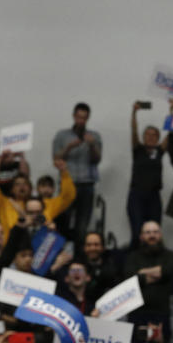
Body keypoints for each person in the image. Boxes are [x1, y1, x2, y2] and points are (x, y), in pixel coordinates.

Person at [123, 221, 173, 343]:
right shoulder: (133, 256)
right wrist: (157, 273)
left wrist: (142, 272)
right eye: (148, 232)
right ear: (141, 236)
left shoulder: (170, 255)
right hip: (137, 314)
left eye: (155, 232)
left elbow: (169, 271)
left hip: (161, 314)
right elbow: (130, 277)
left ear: (160, 235)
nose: (152, 235)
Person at [52, 103, 102, 250]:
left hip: (87, 184)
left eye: (84, 118)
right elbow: (56, 159)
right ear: (74, 116)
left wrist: (92, 145)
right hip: (68, 184)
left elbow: (97, 160)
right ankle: (59, 256)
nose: (81, 121)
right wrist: (69, 147)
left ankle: (79, 257)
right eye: (79, 117)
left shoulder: (95, 136)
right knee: (63, 222)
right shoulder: (62, 135)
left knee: (82, 225)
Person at [127, 101, 169, 248]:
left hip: (154, 197)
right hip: (137, 196)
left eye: (154, 135)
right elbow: (133, 130)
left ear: (157, 138)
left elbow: (171, 132)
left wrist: (172, 109)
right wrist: (134, 113)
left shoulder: (159, 151)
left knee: (154, 232)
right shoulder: (138, 150)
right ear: (143, 137)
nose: (150, 137)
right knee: (138, 231)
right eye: (147, 134)